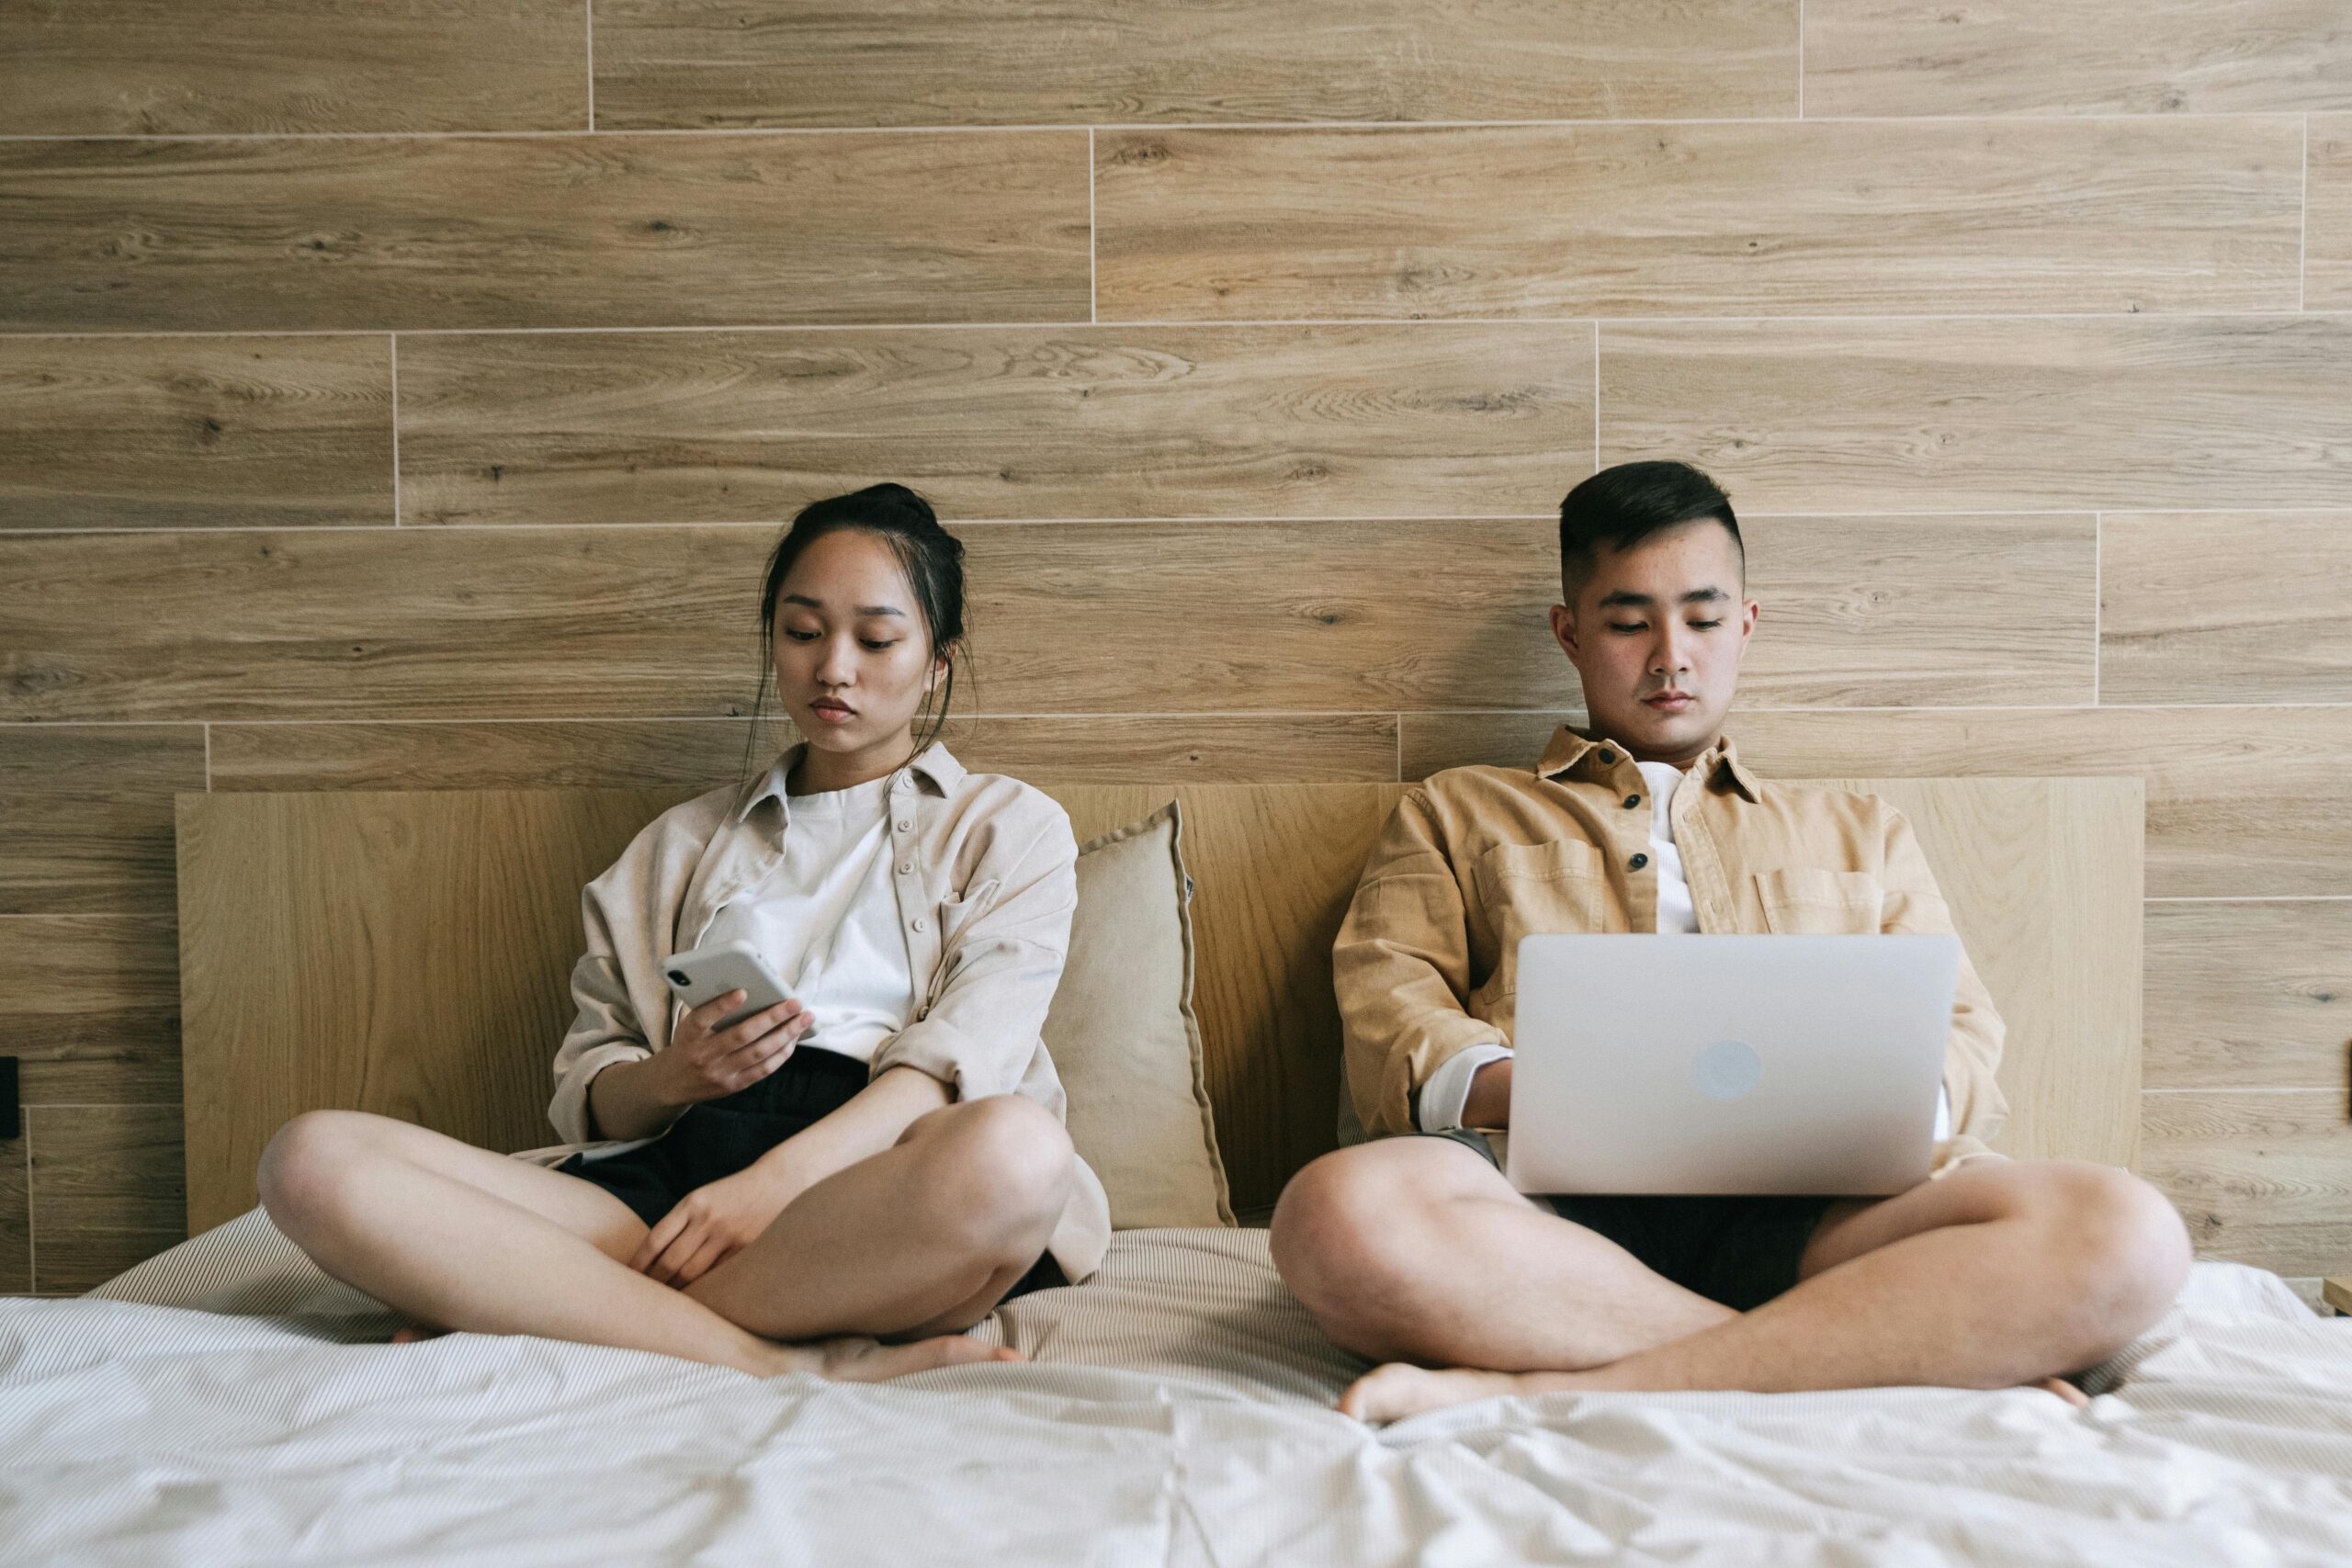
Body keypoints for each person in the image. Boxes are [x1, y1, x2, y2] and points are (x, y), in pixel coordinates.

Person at [1270, 460, 2190, 1421]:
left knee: (2125, 1231)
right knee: (1334, 1214)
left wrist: (1864, 1106)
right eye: (1629, 623)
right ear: (1570, 631)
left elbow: (1961, 1033)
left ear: (1744, 626)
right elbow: (1389, 1003)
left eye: (1703, 620)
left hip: (1822, 1211)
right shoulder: (1455, 810)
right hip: (1542, 1215)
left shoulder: (1859, 827)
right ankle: (1862, 1352)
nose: (1670, 655)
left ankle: (1555, 1379)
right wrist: (1542, 1091)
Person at [260, 483, 1109, 1382]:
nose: (834, 668)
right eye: (803, 630)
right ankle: (768, 1357)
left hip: (878, 1186)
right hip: (676, 1186)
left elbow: (961, 1060)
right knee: (311, 1161)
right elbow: (594, 1097)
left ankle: (548, 1307)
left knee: (1017, 1154)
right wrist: (674, 1076)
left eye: (877, 637)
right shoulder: (679, 846)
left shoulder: (1008, 826)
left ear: (936, 662)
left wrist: (771, 1189)